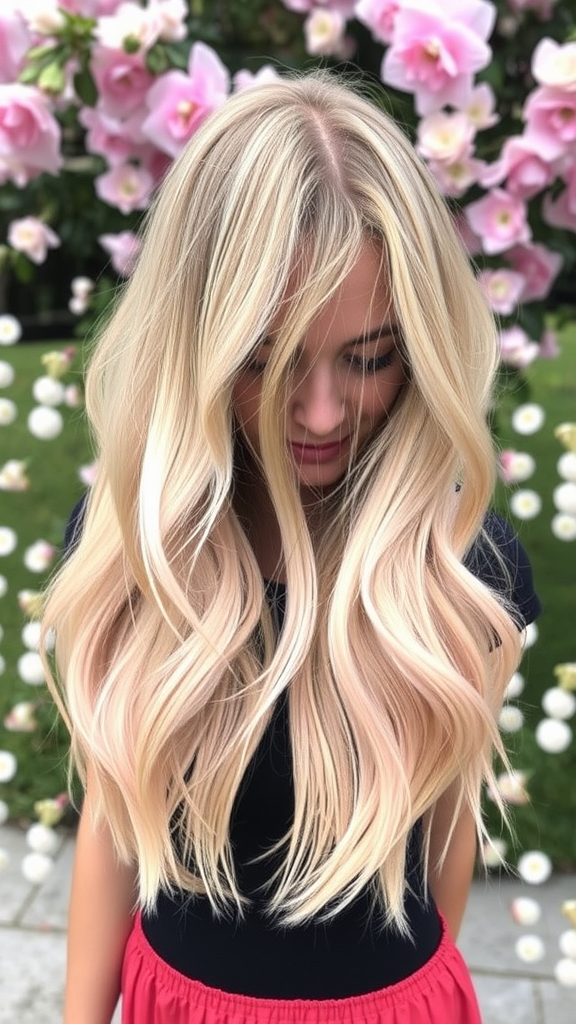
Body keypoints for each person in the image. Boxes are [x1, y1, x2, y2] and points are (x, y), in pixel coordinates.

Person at [43, 72, 541, 1024]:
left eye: (372, 355)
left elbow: (445, 842)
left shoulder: (463, 571)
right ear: (194, 341)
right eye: (265, 359)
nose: (319, 415)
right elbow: (111, 825)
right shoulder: (135, 549)